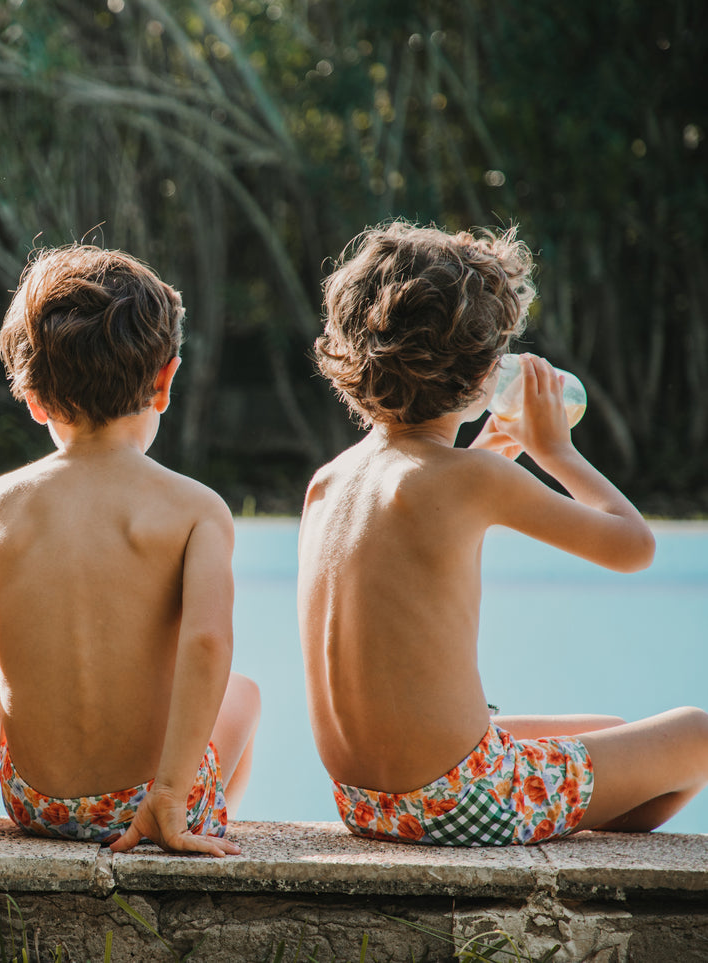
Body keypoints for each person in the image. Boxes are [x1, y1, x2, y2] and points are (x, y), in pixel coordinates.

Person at [300, 220, 708, 846]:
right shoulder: (472, 480)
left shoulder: (331, 481)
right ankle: (547, 820)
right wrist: (556, 452)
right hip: (458, 799)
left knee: (607, 726)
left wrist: (490, 455)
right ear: (485, 372)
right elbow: (634, 547)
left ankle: (559, 810)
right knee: (694, 735)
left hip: (364, 800)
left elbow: (428, 515)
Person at [0, 244, 260, 856]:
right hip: (142, 802)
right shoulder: (197, 508)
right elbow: (207, 645)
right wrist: (168, 790)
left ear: (34, 397)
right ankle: (181, 811)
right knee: (244, 693)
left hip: (34, 802)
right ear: (165, 380)